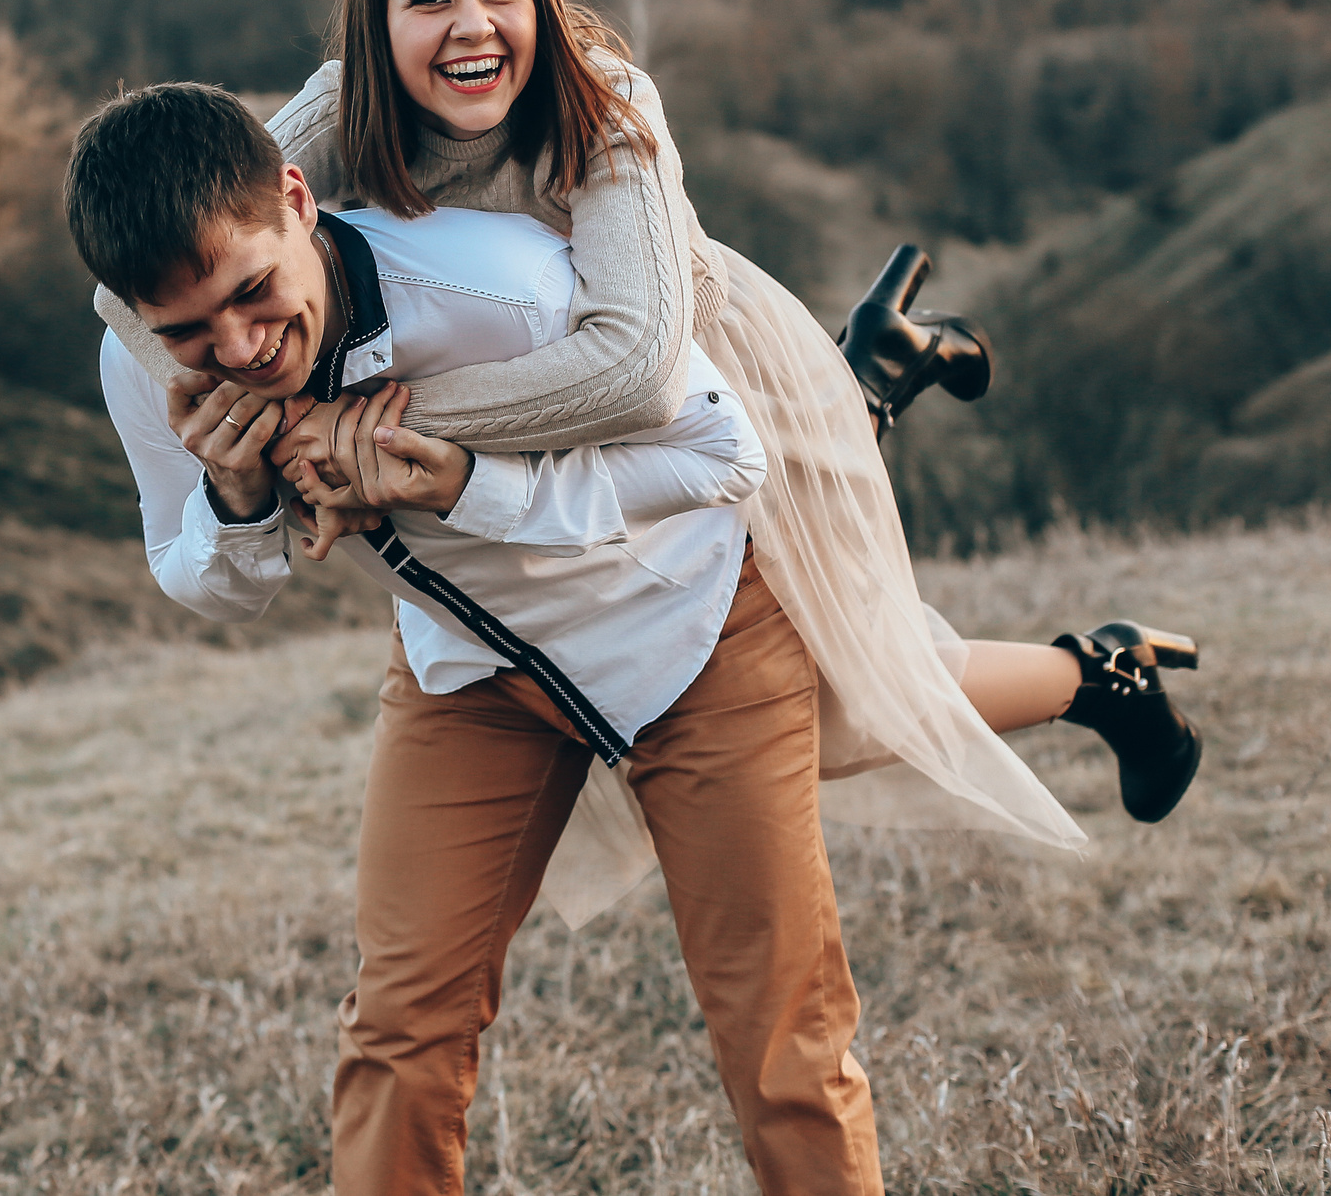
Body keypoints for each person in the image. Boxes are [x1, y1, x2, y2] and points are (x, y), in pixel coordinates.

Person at [96, 0, 1203, 835]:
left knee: (863, 693)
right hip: (583, 418)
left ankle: (1092, 666)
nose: (470, 27)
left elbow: (635, 376)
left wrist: (358, 431)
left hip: (714, 369)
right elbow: (131, 289)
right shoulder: (336, 113)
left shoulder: (606, 102)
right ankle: (879, 371)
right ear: (371, 24)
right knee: (818, 712)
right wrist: (275, 435)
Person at [69, 82, 882, 1194]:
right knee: (399, 1029)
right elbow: (202, 580)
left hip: (690, 632)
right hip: (470, 673)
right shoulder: (144, 370)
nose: (243, 348)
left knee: (776, 1029)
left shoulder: (497, 282)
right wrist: (239, 493)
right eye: (190, 332)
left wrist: (467, 484)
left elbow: (720, 455)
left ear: (296, 200)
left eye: (253, 293)